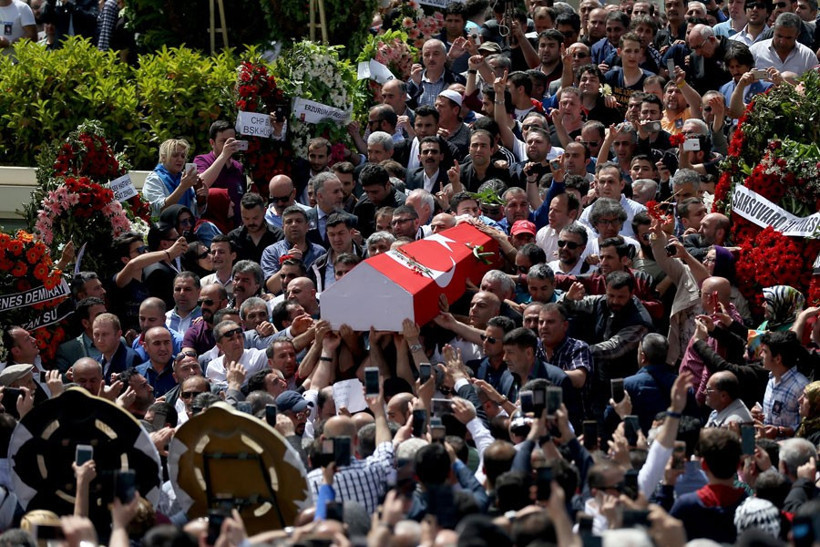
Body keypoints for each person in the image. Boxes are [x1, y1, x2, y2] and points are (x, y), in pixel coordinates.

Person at [194, 120, 246, 220]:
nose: (228, 145)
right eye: (223, 141)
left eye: (231, 141)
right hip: (213, 226)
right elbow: (201, 184)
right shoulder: (202, 160)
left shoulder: (238, 167)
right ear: (212, 143)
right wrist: (224, 155)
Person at [142, 139, 203, 217]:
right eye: (175, 155)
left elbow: (196, 212)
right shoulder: (154, 179)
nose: (180, 159)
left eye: (183, 156)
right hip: (165, 227)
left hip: (187, 226)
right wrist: (182, 187)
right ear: (163, 158)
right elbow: (159, 210)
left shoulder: (185, 178)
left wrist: (201, 198)